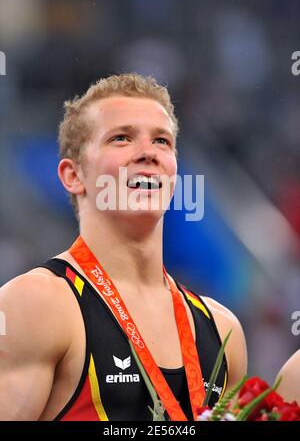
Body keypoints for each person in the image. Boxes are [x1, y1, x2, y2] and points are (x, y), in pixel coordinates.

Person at [0, 74, 247, 421]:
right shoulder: (36, 305)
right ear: (73, 176)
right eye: (121, 138)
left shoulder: (223, 332)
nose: (148, 153)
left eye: (162, 141)